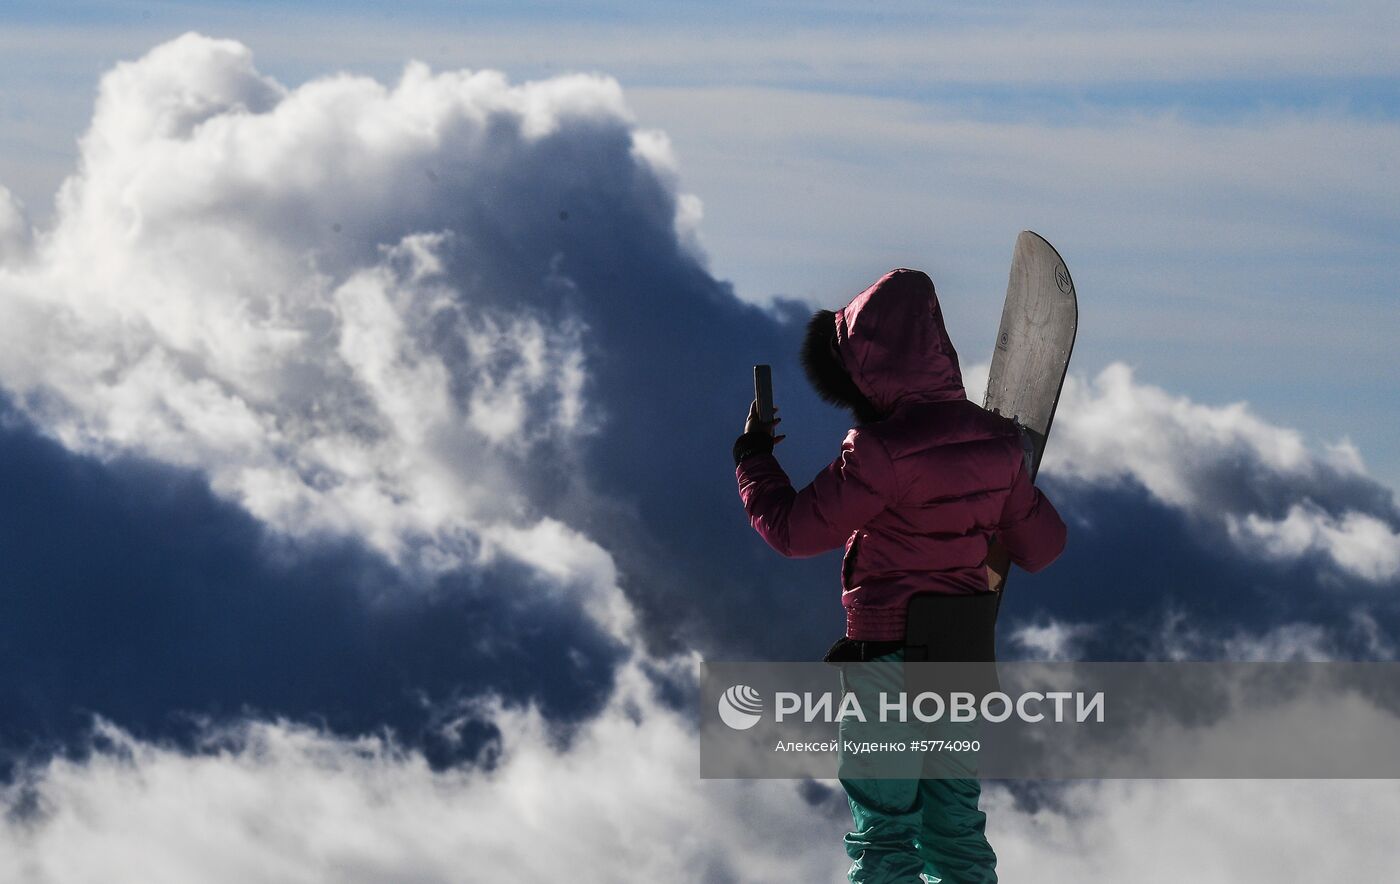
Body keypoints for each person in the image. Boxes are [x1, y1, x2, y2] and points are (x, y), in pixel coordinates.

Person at [733, 268, 1067, 884]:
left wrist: (753, 459)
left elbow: (794, 532)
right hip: (961, 657)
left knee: (885, 833)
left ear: (867, 367)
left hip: (889, 657)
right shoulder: (998, 445)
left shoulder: (880, 451)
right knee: (956, 831)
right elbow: (1043, 548)